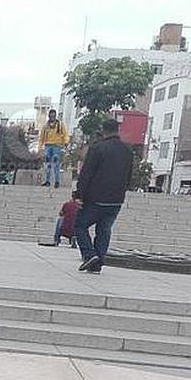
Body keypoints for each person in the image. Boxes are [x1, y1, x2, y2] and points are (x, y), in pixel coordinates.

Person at [75, 117, 134, 273]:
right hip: (116, 200)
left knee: (80, 225)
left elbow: (86, 173)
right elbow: (129, 176)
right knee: (104, 229)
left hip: (97, 198)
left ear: (103, 130)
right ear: (118, 130)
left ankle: (89, 255)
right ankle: (97, 263)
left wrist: (78, 195)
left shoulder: (97, 148)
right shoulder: (128, 150)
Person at [38, 109, 69, 188]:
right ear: (49, 116)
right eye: (51, 115)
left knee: (56, 164)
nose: (52, 117)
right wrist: (40, 148)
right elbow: (41, 138)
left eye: (53, 115)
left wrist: (66, 142)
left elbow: (65, 134)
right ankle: (47, 181)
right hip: (48, 146)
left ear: (55, 116)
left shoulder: (60, 125)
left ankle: (57, 181)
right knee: (48, 164)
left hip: (57, 146)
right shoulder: (46, 126)